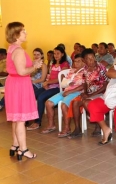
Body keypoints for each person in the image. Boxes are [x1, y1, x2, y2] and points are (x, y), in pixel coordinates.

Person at [5, 22, 43, 160]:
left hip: (14, 83)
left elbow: (16, 68)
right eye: (23, 31)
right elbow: (21, 71)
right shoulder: (19, 50)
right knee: (21, 119)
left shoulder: (11, 48)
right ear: (16, 35)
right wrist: (35, 66)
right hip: (19, 84)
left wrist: (32, 65)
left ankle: (15, 144)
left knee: (16, 117)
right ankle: (24, 149)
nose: (26, 33)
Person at [68, 49, 109, 138]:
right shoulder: (85, 69)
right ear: (84, 60)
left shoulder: (100, 67)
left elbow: (106, 84)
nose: (91, 60)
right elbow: (84, 83)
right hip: (89, 94)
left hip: (101, 93)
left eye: (92, 58)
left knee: (87, 102)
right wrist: (85, 93)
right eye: (88, 59)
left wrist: (90, 95)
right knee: (75, 103)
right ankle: (77, 129)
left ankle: (98, 126)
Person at [26, 46, 69, 131]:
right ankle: (27, 118)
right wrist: (46, 83)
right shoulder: (53, 64)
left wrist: (48, 82)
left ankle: (37, 122)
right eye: (55, 53)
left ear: (62, 54)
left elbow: (61, 79)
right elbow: (50, 76)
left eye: (58, 53)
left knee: (41, 97)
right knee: (33, 95)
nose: (56, 55)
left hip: (58, 88)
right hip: (50, 86)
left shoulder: (65, 64)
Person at [42, 54, 85, 137]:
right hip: (66, 91)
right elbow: (63, 83)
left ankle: (67, 128)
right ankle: (51, 125)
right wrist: (67, 85)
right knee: (48, 103)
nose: (76, 63)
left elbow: (83, 86)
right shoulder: (72, 70)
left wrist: (69, 92)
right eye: (75, 61)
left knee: (64, 105)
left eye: (79, 61)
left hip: (77, 92)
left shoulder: (85, 71)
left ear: (83, 62)